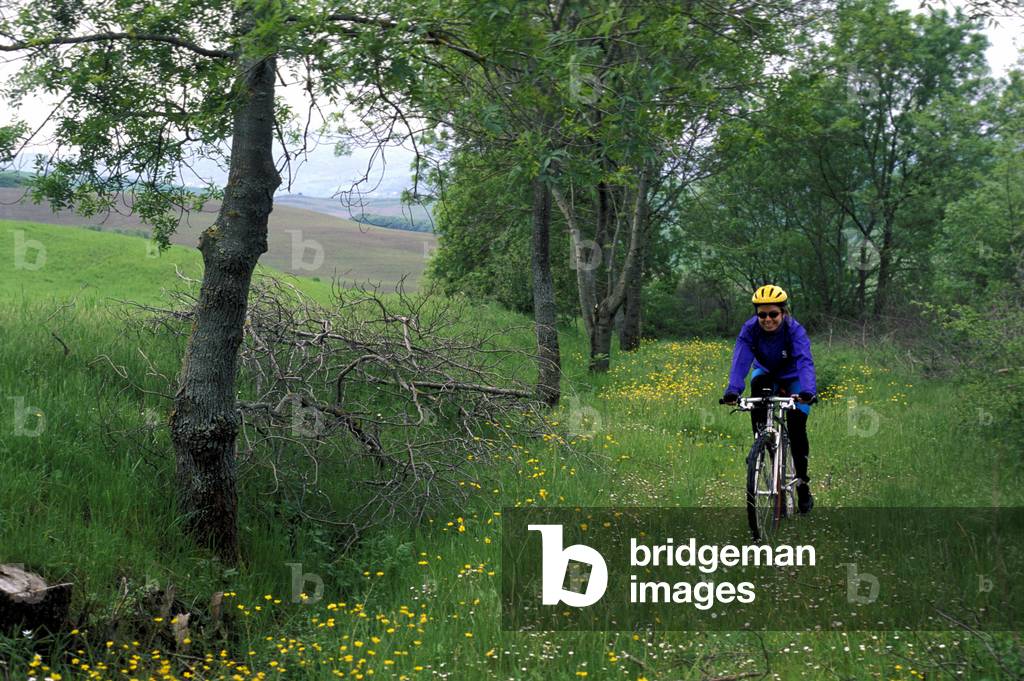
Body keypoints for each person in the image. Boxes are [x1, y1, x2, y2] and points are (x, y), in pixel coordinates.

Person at [721, 284, 817, 513]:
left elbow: (804, 361)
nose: (767, 320)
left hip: (793, 378)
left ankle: (802, 483)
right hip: (766, 373)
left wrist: (807, 391)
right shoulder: (750, 329)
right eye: (762, 315)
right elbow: (740, 360)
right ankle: (761, 444)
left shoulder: (794, 330)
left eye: (773, 314)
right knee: (757, 390)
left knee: (796, 427)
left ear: (783, 312)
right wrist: (733, 390)